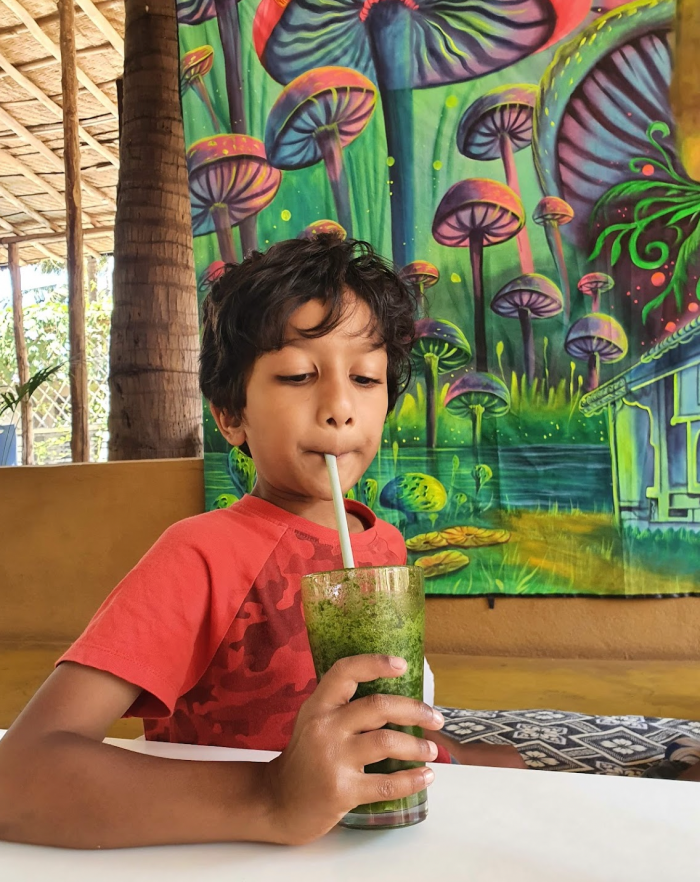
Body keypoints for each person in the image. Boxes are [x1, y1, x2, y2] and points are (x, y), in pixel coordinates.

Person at [0, 236, 523, 850]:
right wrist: (271, 796)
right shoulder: (202, 555)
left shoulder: (383, 544)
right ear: (231, 414)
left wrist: (443, 749)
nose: (339, 407)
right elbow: (19, 776)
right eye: (299, 375)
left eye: (365, 376)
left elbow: (381, 701)